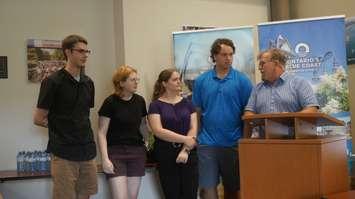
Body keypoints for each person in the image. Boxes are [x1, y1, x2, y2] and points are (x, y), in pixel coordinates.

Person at [33, 34, 97, 199]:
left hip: (87, 150)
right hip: (63, 152)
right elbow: (39, 119)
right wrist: (60, 126)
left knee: (86, 194)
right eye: (81, 51)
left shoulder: (88, 82)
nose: (85, 55)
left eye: (87, 51)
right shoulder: (52, 82)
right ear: (68, 52)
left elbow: (83, 115)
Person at [192, 38, 253, 199]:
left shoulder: (243, 81)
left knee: (233, 189)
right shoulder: (201, 81)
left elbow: (249, 113)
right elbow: (197, 111)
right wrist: (197, 136)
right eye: (224, 54)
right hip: (206, 143)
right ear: (214, 56)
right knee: (207, 188)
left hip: (233, 143)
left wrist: (245, 141)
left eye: (231, 54)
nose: (228, 58)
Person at [97, 65, 148, 199]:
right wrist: (105, 159)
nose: (136, 82)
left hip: (136, 152)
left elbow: (143, 124)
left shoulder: (140, 101)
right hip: (115, 153)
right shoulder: (110, 102)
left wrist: (147, 140)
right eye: (132, 80)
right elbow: (101, 133)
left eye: (137, 80)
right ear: (121, 82)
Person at [148, 68, 198, 199]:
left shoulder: (188, 104)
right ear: (164, 83)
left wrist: (185, 149)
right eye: (175, 80)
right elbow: (158, 131)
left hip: (188, 153)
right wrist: (185, 139)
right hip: (166, 154)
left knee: (190, 194)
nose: (179, 82)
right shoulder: (155, 105)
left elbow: (193, 128)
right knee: (172, 194)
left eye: (179, 79)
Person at [244, 48, 319, 116]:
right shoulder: (257, 88)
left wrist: (290, 117)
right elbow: (248, 113)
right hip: (264, 131)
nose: (259, 68)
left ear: (276, 64)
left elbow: (312, 110)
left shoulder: (299, 83)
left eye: (262, 64)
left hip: (294, 131)